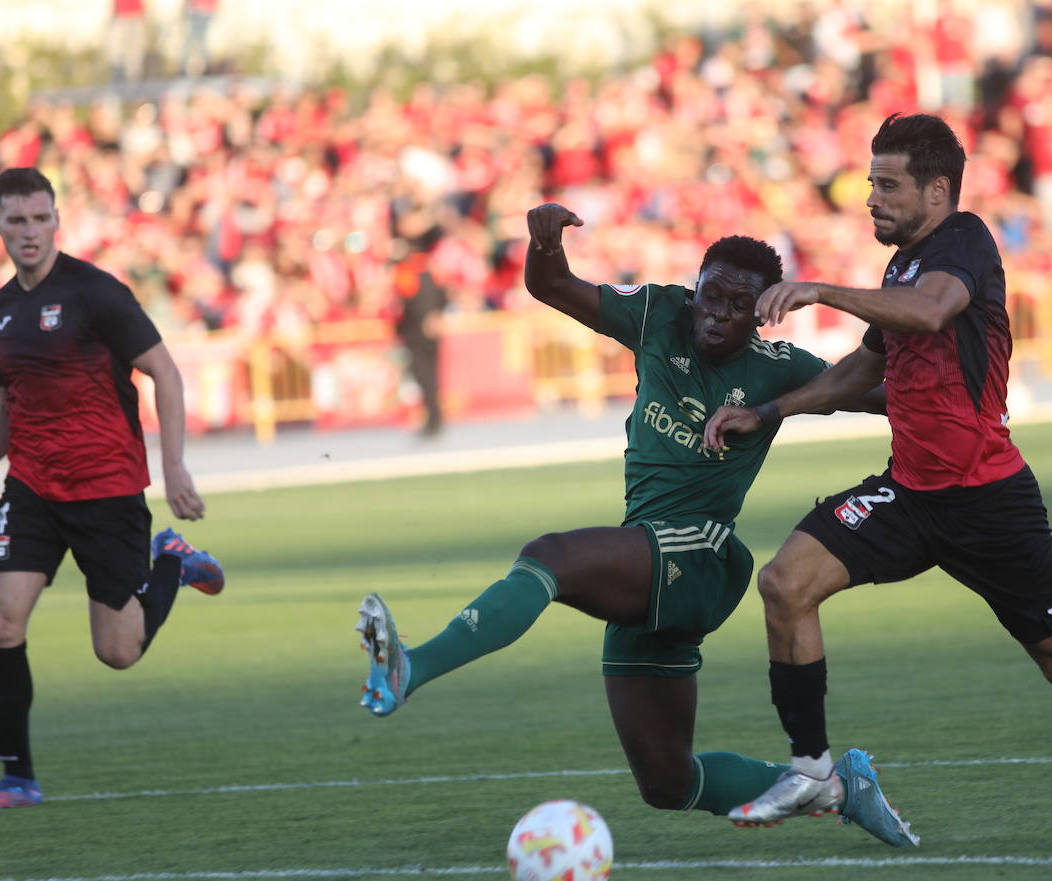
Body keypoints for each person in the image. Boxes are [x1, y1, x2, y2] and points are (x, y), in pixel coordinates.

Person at [702, 113, 1052, 827]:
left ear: (938, 191)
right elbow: (857, 375)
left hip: (988, 500)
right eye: (870, 183)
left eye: (888, 184)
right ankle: (812, 770)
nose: (871, 198)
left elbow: (933, 312)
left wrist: (820, 292)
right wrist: (770, 411)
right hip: (908, 494)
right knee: (786, 583)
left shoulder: (963, 243)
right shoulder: (899, 268)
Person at [355, 202, 918, 847]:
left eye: (739, 305)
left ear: (765, 311)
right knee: (668, 783)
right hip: (650, 563)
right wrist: (543, 244)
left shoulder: (780, 368)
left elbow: (878, 395)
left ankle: (411, 668)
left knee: (551, 558)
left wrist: (926, 350)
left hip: (700, 556)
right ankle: (845, 790)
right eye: (711, 296)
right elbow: (551, 286)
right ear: (694, 287)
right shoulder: (659, 314)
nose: (718, 314)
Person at [0, 168, 225, 811]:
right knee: (0, 618)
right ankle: (17, 776)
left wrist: (174, 468)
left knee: (118, 652)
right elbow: (11, 403)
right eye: (17, 220)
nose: (30, 232)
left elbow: (165, 375)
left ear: (56, 220)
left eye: (41, 219)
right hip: (32, 487)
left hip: (108, 489)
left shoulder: (98, 294)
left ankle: (172, 560)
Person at [392, 228, 448, 438]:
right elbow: (443, 294)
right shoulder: (432, 268)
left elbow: (407, 302)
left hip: (416, 330)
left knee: (424, 375)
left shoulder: (407, 271)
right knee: (430, 376)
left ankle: (433, 420)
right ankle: (434, 419)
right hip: (430, 327)